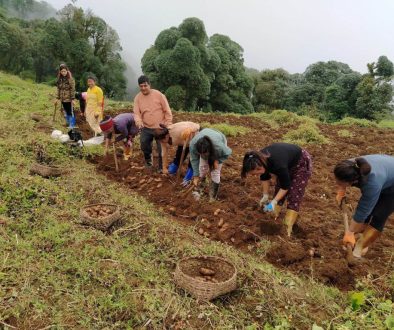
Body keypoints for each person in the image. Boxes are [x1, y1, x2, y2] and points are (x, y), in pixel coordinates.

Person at [241, 143, 312, 237]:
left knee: (295, 193)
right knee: (278, 189)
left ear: (260, 167)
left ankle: (287, 226)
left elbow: (285, 186)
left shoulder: (278, 165)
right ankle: (273, 215)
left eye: (256, 173)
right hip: (286, 162)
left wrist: (274, 201)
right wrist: (265, 195)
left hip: (300, 162)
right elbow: (264, 176)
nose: (255, 175)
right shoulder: (258, 158)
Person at [334, 155, 394, 258]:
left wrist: (350, 232)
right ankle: (356, 236)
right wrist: (341, 191)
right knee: (367, 213)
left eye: (341, 183)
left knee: (379, 215)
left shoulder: (372, 183)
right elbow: (340, 179)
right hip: (385, 172)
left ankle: (359, 249)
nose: (337, 182)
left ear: (353, 181)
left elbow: (362, 210)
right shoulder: (347, 166)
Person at [133, 75, 172, 170]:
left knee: (161, 148)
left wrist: (168, 124)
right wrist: (138, 121)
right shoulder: (137, 98)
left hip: (160, 127)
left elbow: (167, 110)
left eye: (145, 85)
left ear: (149, 85)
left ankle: (161, 167)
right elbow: (136, 113)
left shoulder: (159, 95)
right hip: (146, 127)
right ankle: (148, 162)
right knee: (144, 143)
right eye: (141, 86)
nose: (143, 88)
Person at [190, 128, 232, 201]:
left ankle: (212, 197)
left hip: (218, 140)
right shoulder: (193, 145)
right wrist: (196, 175)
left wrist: (218, 161)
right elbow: (194, 160)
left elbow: (228, 153)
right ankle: (199, 190)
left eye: (205, 153)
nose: (203, 155)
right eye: (200, 154)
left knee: (215, 171)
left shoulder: (219, 147)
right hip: (206, 140)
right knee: (202, 169)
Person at [55, 64, 76, 128]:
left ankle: (72, 124)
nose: (63, 73)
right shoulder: (59, 79)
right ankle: (68, 122)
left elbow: (72, 89)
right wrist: (57, 98)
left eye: (64, 71)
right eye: (62, 71)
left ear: (67, 71)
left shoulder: (70, 79)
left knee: (70, 111)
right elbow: (58, 89)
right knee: (66, 110)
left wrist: (73, 99)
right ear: (60, 72)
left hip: (69, 98)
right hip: (62, 98)